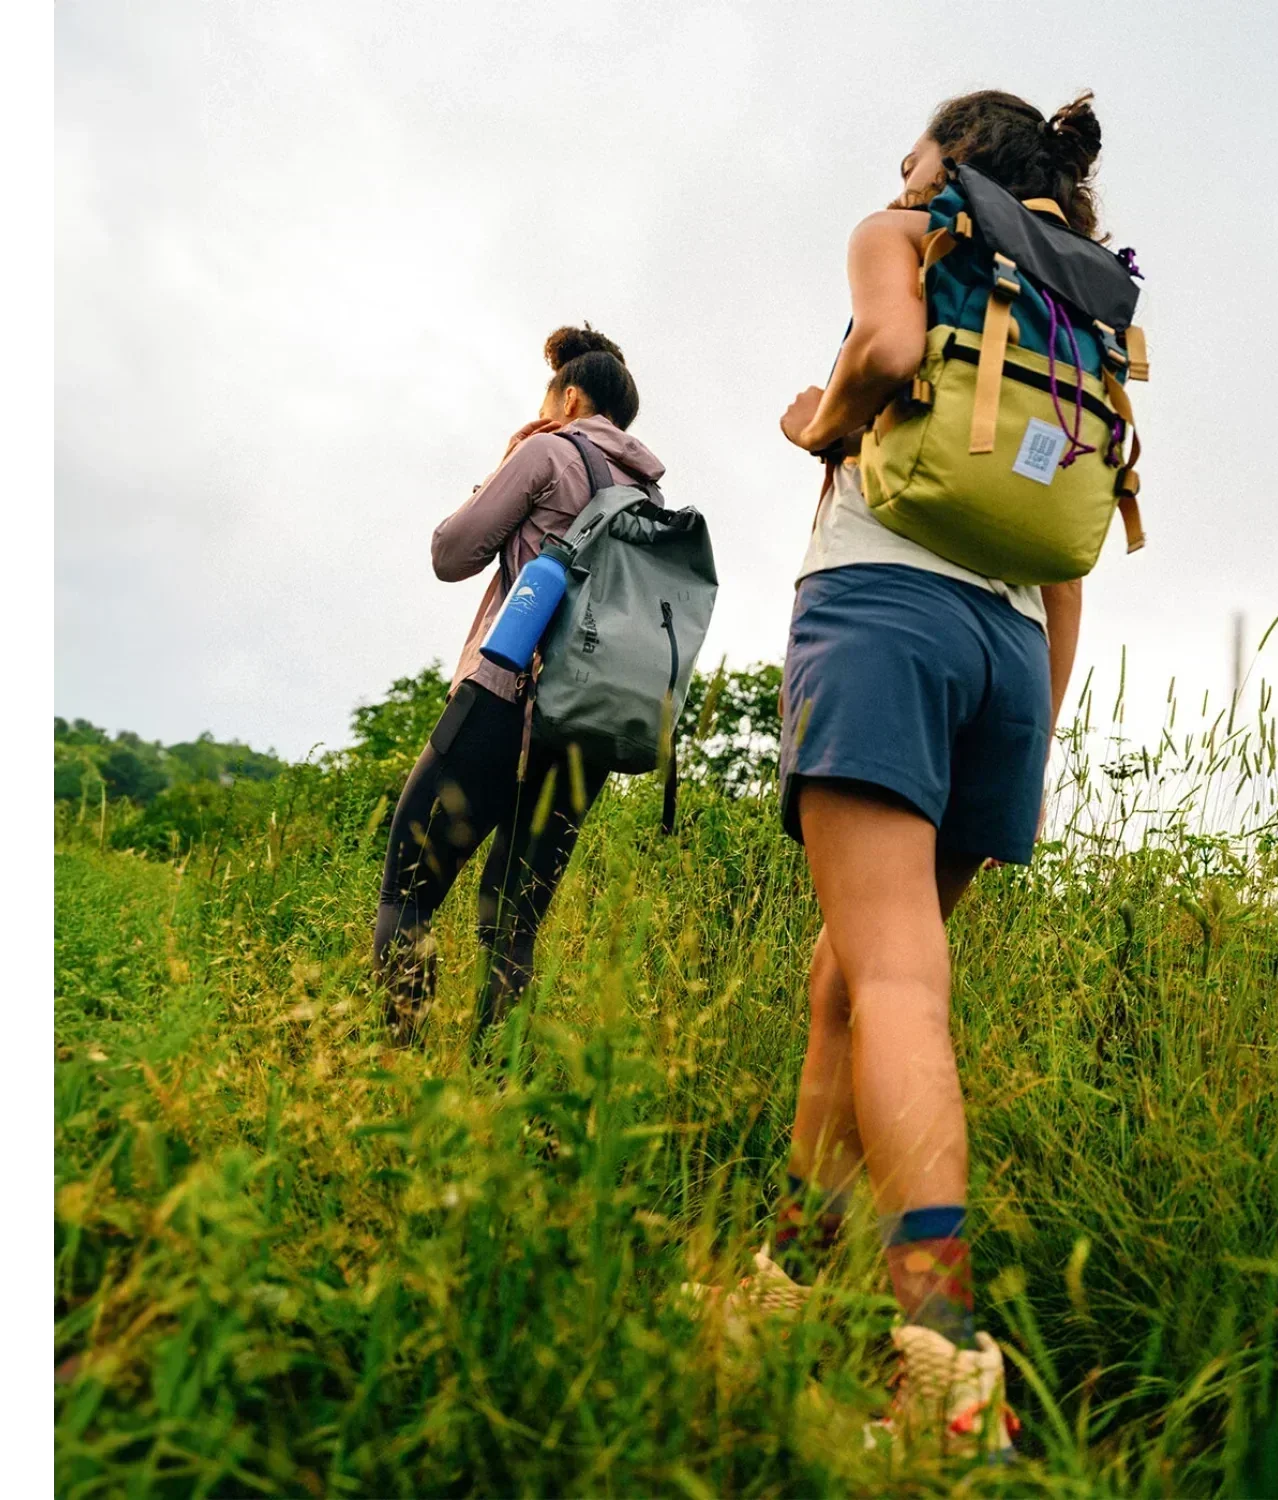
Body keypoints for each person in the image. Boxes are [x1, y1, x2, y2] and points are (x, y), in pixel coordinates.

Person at [720, 90, 1103, 1453]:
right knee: (849, 973)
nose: (900, 176)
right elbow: (1072, 549)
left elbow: (882, 347)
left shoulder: (910, 237)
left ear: (954, 165)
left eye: (913, 157)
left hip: (884, 615)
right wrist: (1032, 730)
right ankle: (780, 1288)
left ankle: (942, 1360)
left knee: (890, 981)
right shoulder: (1085, 301)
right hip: (1009, 655)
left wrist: (812, 424)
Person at [372, 325, 664, 1048]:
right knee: (513, 925)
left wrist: (506, 464)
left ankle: (396, 1068)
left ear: (569, 397)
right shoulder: (653, 495)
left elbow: (450, 554)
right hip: (586, 734)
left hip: (501, 703)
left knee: (406, 895)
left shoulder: (548, 449)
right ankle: (497, 1097)